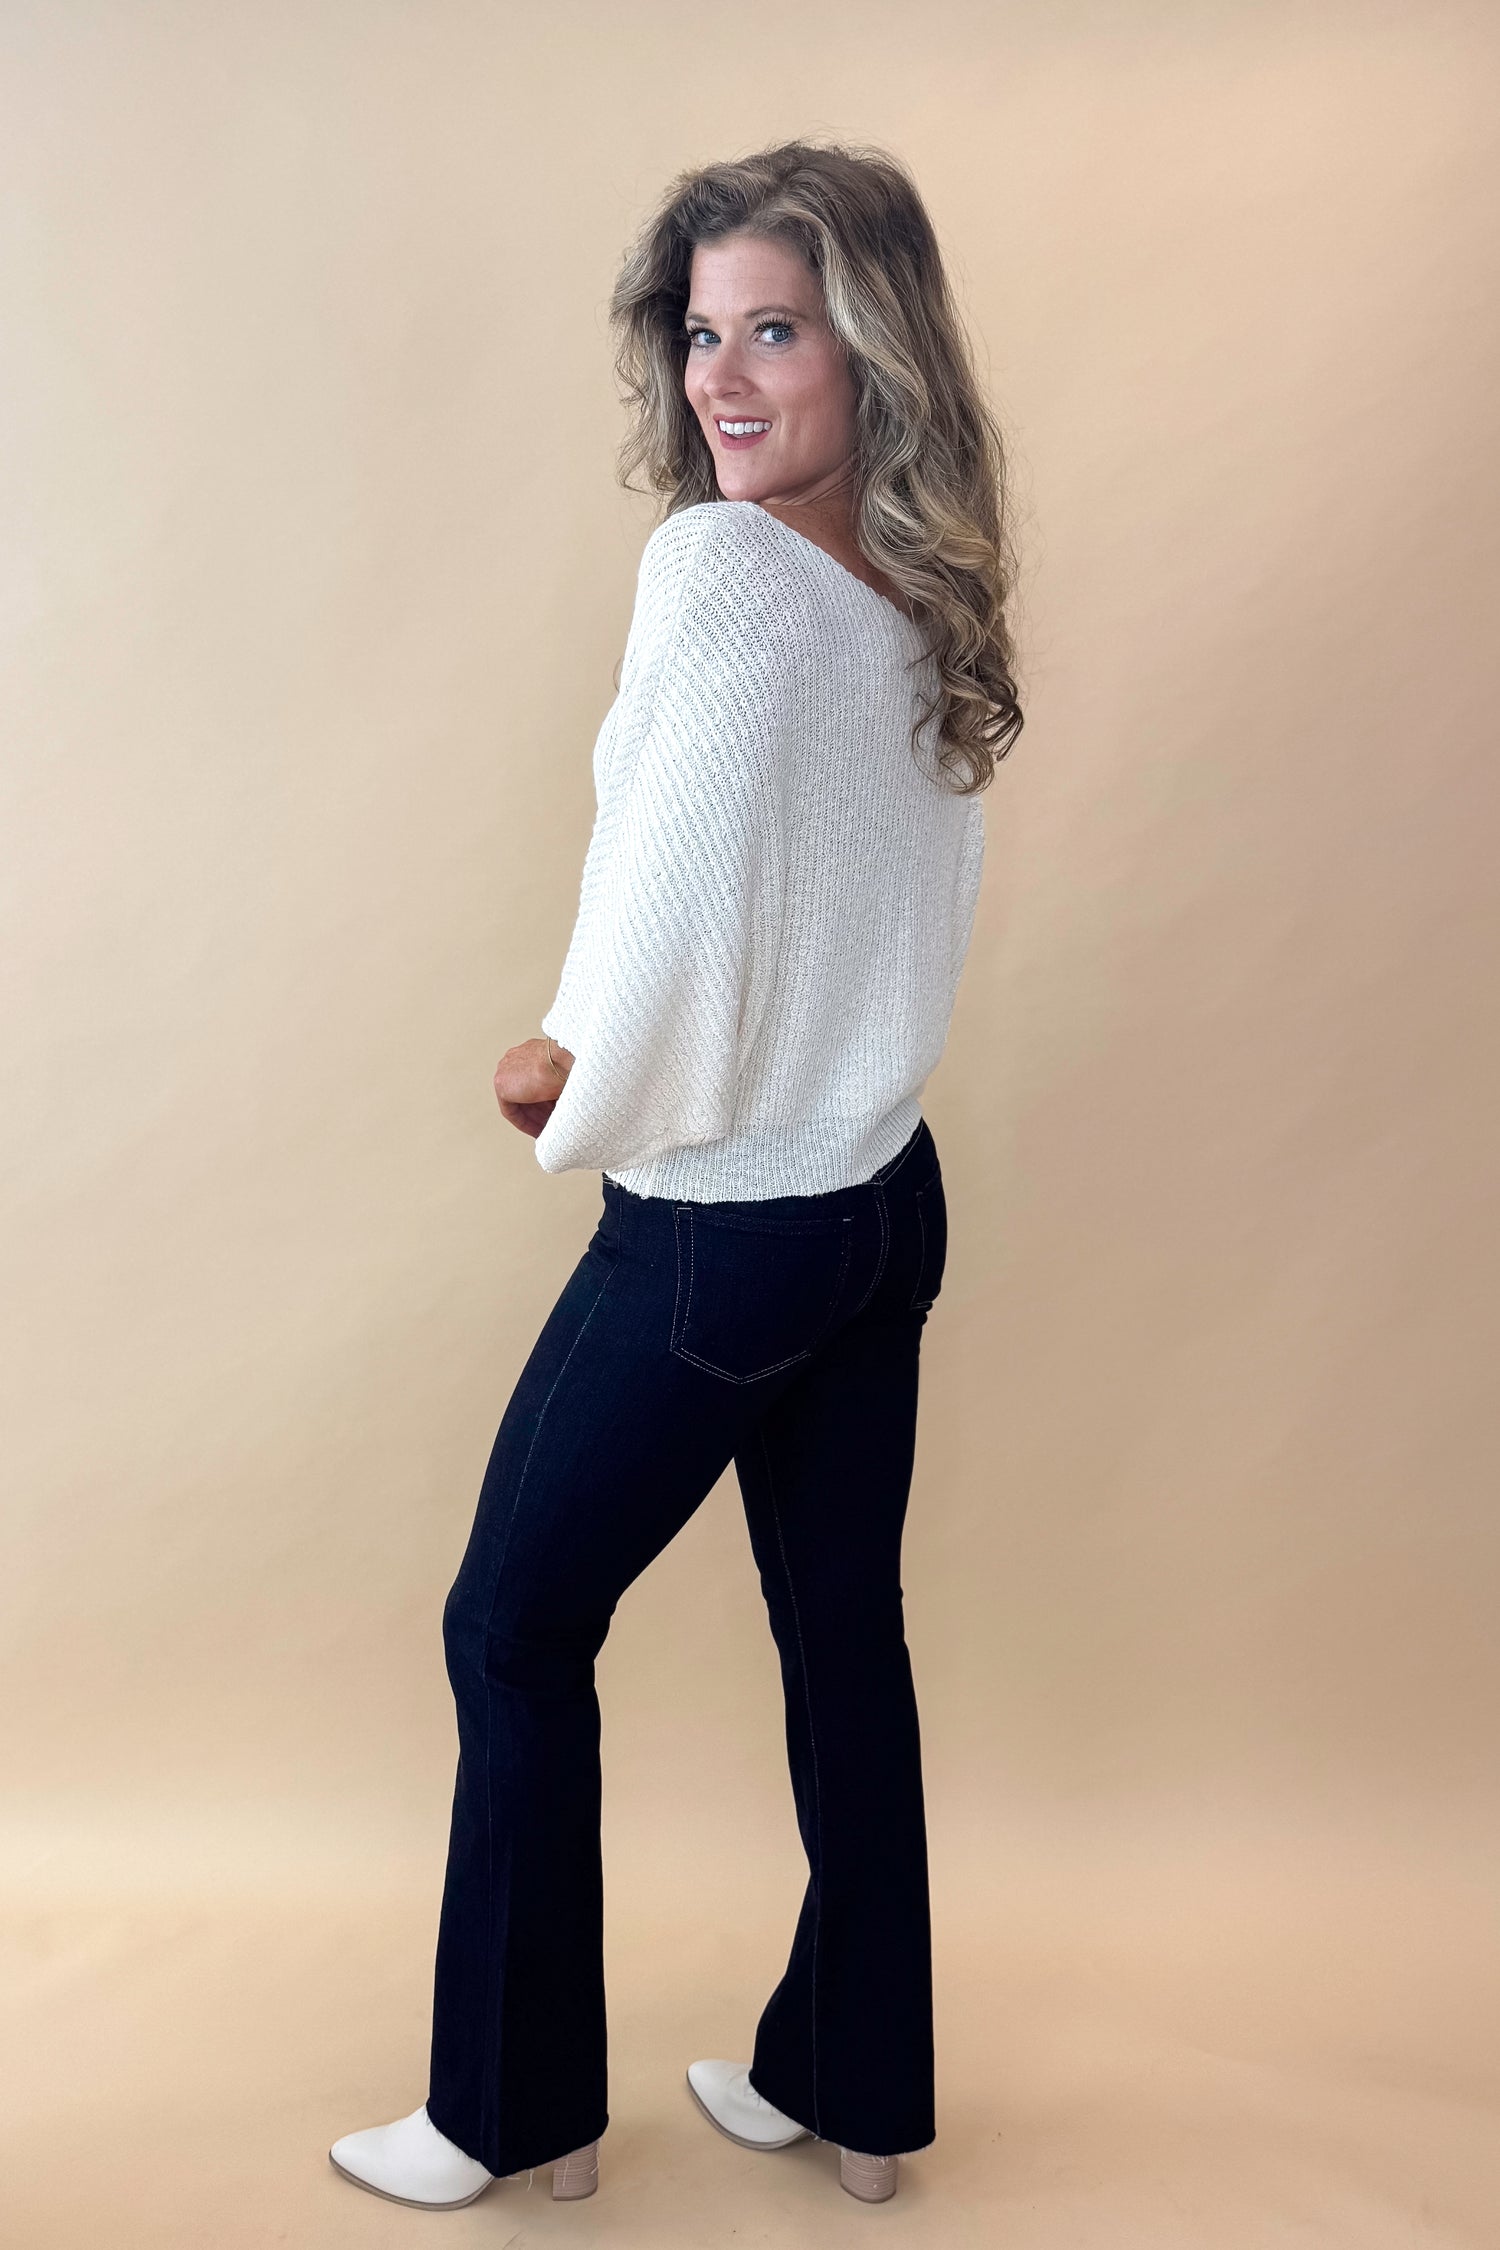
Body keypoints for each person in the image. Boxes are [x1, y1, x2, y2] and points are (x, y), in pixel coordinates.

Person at [328, 135, 1022, 2213]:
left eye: (775, 333)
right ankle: (857, 2095)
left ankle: (507, 2117)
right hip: (884, 1202)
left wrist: (586, 1077)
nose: (723, 379)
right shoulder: (922, 583)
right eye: (701, 333)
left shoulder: (724, 577)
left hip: (729, 1234)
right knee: (845, 1645)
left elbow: (671, 888)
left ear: (871, 350)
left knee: (510, 1629)